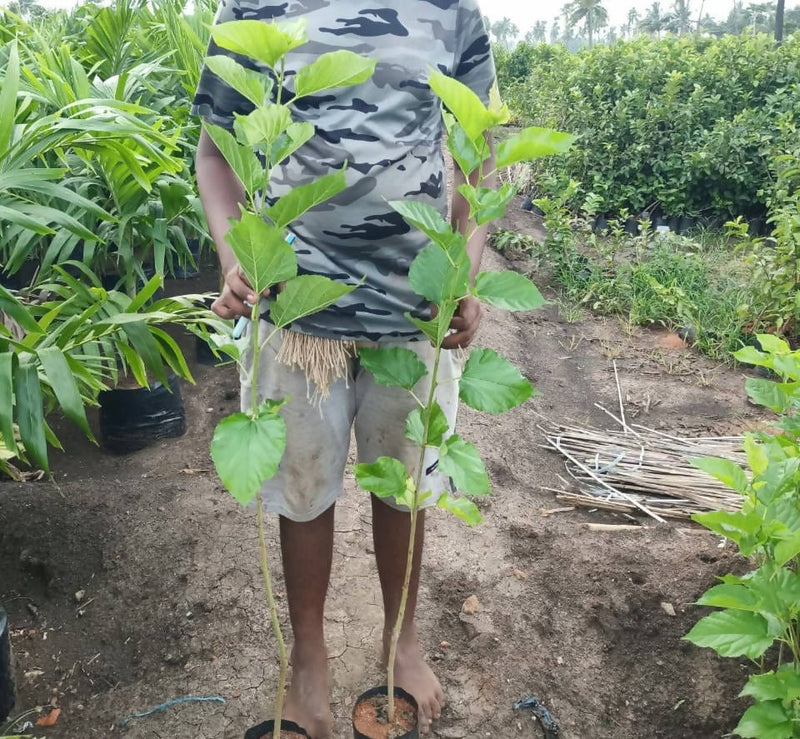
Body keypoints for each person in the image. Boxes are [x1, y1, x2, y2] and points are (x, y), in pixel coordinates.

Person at [192, 2, 496, 736]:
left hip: (414, 309)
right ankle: (308, 655)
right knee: (302, 489)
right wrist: (236, 257)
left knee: (405, 487)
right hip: (296, 313)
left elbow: (482, 154)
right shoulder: (256, 10)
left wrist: (466, 265)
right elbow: (213, 150)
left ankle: (405, 641)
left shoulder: (451, 10)